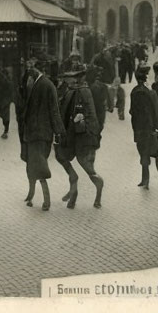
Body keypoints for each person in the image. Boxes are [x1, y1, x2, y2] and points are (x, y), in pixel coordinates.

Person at [55, 65, 104, 209]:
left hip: (83, 137)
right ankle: (73, 183)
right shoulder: (72, 91)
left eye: (68, 77)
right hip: (73, 134)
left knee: (88, 168)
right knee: (60, 155)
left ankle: (98, 193)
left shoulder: (82, 91)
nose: (65, 80)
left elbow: (91, 116)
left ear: (75, 78)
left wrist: (86, 126)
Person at [18, 66, 64, 211]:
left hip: (39, 134)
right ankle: (31, 194)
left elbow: (54, 110)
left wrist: (59, 132)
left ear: (34, 74)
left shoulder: (46, 85)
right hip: (33, 133)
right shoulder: (41, 83)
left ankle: (46, 201)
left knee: (39, 167)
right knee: (31, 165)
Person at [130, 64, 158, 188]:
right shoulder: (149, 91)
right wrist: (156, 127)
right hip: (148, 127)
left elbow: (133, 111)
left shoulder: (136, 92)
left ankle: (145, 180)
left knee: (143, 151)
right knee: (144, 151)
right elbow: (155, 111)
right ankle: (145, 179)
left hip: (140, 128)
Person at [88, 64, 110, 139]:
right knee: (100, 124)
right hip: (100, 108)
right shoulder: (104, 86)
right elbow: (107, 98)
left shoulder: (90, 86)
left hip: (93, 108)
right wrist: (110, 107)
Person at [0, 66, 14, 139]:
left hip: (4, 101)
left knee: (5, 116)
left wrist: (6, 100)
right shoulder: (2, 79)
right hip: (3, 100)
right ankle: (6, 130)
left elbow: (8, 89)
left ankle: (6, 131)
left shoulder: (3, 79)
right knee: (4, 115)